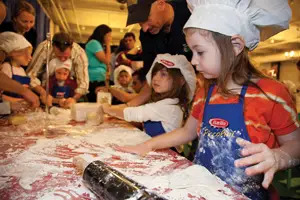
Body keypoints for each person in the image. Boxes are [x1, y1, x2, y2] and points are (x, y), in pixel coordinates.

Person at [117, 0, 300, 199]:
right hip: (202, 191)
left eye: (200, 52)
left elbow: (296, 144)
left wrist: (278, 157)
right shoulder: (207, 91)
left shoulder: (271, 93)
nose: (193, 61)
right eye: (192, 52)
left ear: (235, 45)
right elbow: (187, 132)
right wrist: (148, 145)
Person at [103, 53, 196, 137]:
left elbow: (133, 113)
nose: (155, 78)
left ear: (180, 81)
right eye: (155, 73)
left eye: (163, 74)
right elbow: (143, 121)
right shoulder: (168, 102)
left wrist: (106, 109)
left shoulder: (169, 107)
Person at [125, 0, 192, 107]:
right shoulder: (146, 35)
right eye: (140, 23)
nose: (145, 28)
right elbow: (151, 78)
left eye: (147, 19)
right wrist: (128, 107)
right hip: (172, 99)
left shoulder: (191, 13)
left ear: (161, 4)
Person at [27, 32, 89, 107]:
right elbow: (30, 75)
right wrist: (43, 93)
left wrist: (74, 99)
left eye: (66, 57)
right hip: (45, 90)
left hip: (70, 93)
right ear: (53, 47)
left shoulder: (79, 53)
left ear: (71, 48)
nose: (62, 59)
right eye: (59, 56)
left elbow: (84, 83)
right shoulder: (45, 48)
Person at [0, 2, 39, 108]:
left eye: (31, 22)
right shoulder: (6, 67)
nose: (28, 26)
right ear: (15, 19)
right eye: (24, 21)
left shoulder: (32, 33)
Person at [0, 32, 33, 102]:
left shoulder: (22, 70)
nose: (30, 58)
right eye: (27, 54)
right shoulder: (6, 67)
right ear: (14, 54)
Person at [85, 24, 112, 102]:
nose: (110, 38)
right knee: (97, 103)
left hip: (98, 78)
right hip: (94, 79)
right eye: (109, 35)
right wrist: (108, 44)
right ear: (103, 34)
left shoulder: (97, 44)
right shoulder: (94, 43)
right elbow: (107, 60)